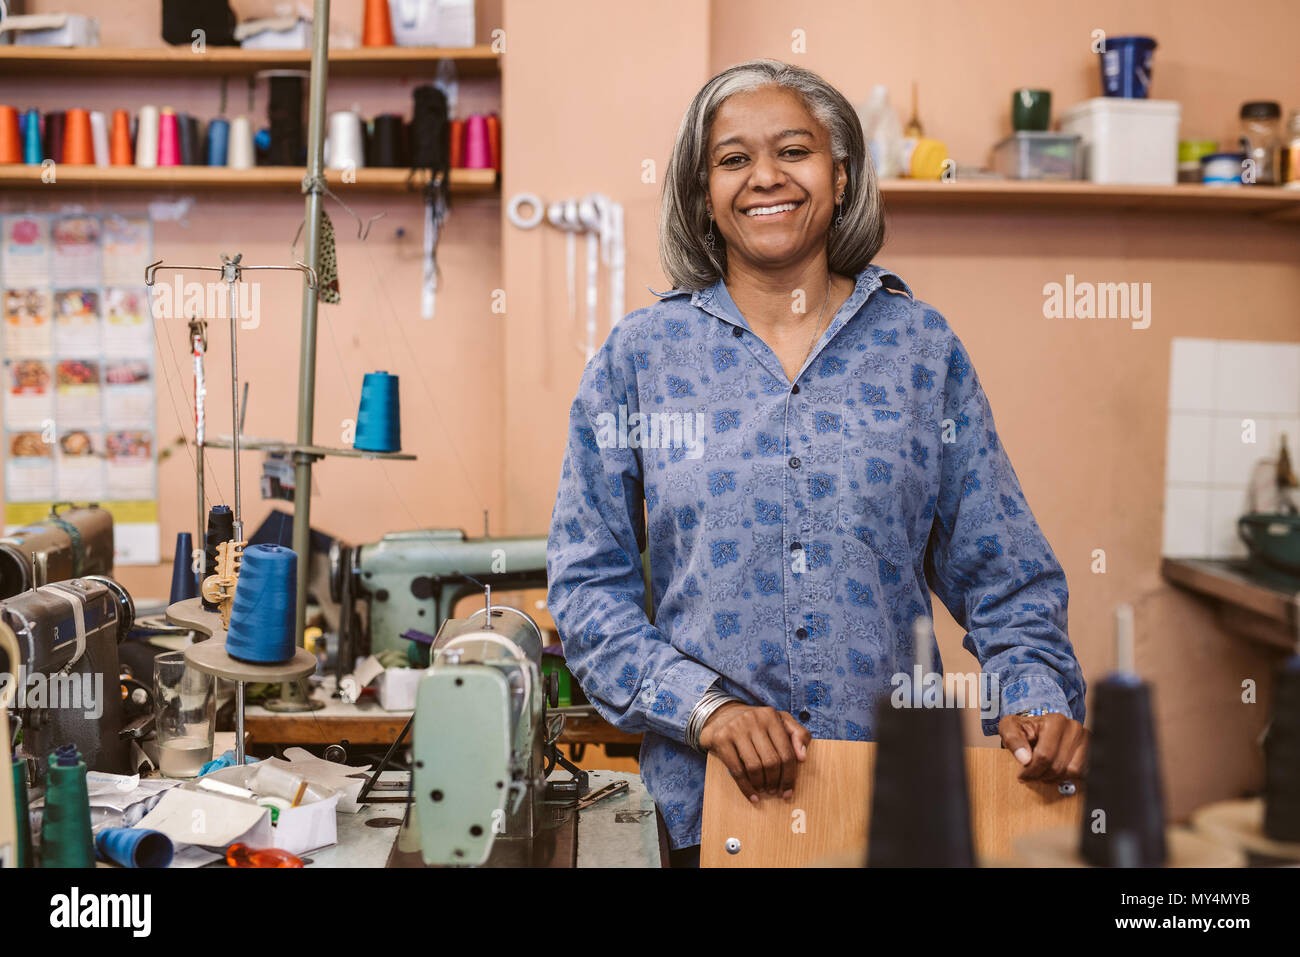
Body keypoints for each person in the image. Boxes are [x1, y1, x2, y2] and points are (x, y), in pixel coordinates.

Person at [546, 58, 1087, 867]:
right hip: (714, 807)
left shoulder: (920, 349)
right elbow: (588, 590)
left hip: (898, 801)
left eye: (793, 151)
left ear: (840, 177)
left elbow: (1003, 569)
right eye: (732, 159)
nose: (765, 176)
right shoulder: (640, 359)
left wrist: (1034, 690)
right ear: (703, 195)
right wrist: (707, 709)